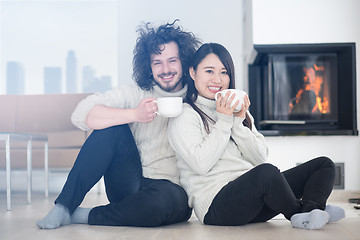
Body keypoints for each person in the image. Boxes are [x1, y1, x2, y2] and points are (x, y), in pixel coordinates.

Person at [37, 20, 201, 229]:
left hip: (170, 191)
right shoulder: (136, 93)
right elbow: (81, 115)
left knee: (161, 203)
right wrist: (134, 114)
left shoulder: (195, 98)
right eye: (157, 62)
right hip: (130, 182)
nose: (165, 69)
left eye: (172, 60)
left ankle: (87, 215)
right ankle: (64, 207)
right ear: (149, 67)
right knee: (112, 128)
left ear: (183, 62)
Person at [167, 43, 345, 230]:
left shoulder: (236, 109)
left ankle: (313, 209)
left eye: (224, 72)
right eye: (209, 71)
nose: (217, 80)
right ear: (193, 73)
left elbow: (259, 158)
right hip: (217, 206)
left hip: (255, 198)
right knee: (267, 173)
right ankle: (299, 213)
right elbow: (201, 164)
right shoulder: (184, 115)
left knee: (323, 164)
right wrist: (225, 121)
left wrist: (237, 123)